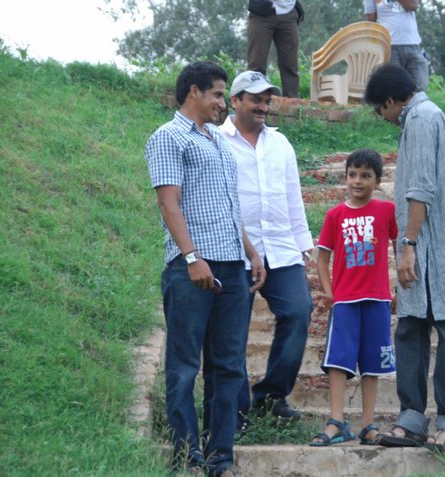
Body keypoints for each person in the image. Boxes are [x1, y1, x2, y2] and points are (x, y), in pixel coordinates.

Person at [144, 61, 265, 477]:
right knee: (184, 366)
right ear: (194, 91)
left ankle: (220, 459)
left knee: (228, 366)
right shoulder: (168, 137)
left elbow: (228, 209)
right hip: (191, 270)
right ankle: (187, 458)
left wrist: (251, 253)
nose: (222, 102)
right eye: (216, 94)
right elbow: (168, 203)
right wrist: (192, 258)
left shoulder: (218, 142)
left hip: (232, 267)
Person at [364, 63, 445, 451]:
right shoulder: (427, 116)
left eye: (380, 109)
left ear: (390, 101)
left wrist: (408, 244)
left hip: (433, 245)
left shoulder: (420, 119)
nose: (383, 117)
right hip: (428, 244)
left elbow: (421, 189)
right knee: (411, 329)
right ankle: (412, 420)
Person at [210, 70, 313, 425]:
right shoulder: (216, 141)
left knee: (298, 311)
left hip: (281, 248)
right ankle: (236, 407)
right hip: (233, 251)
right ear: (235, 100)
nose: (264, 106)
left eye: (267, 100)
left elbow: (293, 196)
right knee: (232, 330)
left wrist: (302, 243)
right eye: (256, 99)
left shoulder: (280, 144)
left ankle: (271, 395)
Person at [309, 149, 398, 447]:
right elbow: (322, 258)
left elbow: (399, 246)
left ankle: (368, 424)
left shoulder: (387, 211)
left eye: (365, 176)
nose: (357, 181)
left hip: (378, 299)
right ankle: (336, 421)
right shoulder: (335, 215)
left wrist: (398, 287)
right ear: (345, 177)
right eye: (352, 175)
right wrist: (329, 293)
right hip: (345, 301)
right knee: (338, 361)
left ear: (378, 180)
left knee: (372, 364)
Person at [364, 0, 429, 92]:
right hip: (389, 46)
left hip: (413, 44)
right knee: (393, 88)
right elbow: (372, 20)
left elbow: (412, 5)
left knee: (420, 87)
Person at [246, 0, 304, 98]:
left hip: (288, 11)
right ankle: (255, 100)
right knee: (256, 64)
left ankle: (292, 103)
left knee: (290, 65)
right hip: (260, 13)